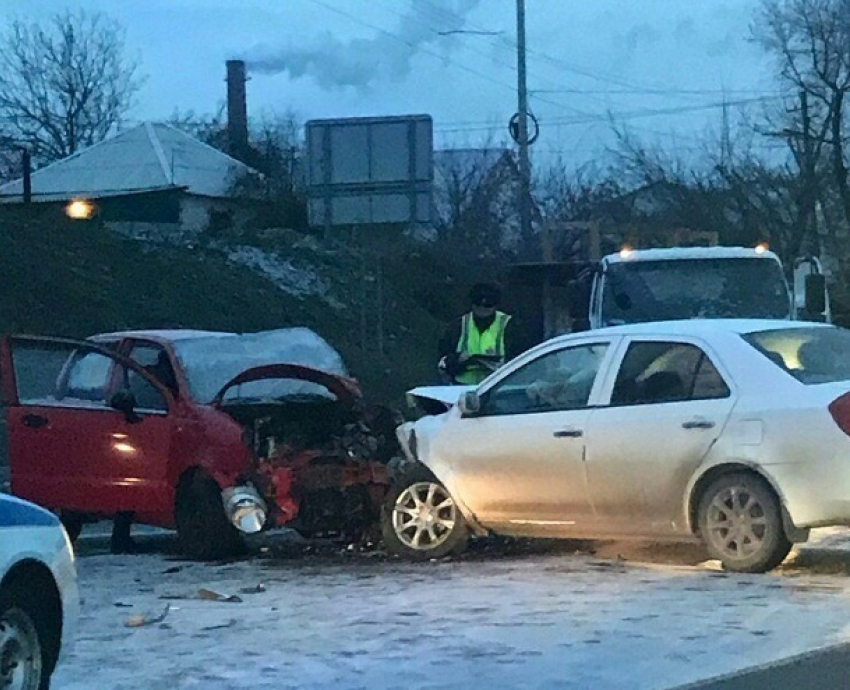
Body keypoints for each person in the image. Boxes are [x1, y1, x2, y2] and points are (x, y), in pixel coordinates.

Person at [438, 282, 518, 385]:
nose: (482, 308)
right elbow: (443, 363)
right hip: (462, 388)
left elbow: (520, 358)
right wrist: (459, 360)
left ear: (496, 305)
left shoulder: (510, 326)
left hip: (497, 387)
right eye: (478, 304)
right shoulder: (457, 326)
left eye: (488, 305)